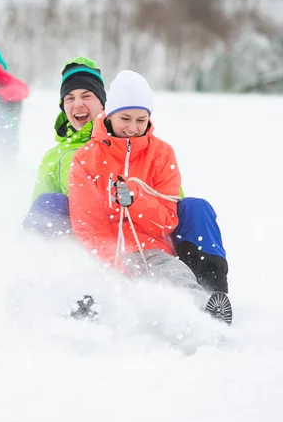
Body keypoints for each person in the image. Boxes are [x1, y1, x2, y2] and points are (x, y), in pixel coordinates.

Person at [23, 57, 229, 296]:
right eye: (70, 98)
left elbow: (170, 208)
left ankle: (209, 295)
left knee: (196, 208)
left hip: (147, 241)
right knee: (48, 205)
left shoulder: (151, 149)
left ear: (104, 105)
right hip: (90, 238)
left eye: (86, 96)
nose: (78, 104)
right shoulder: (67, 157)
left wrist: (137, 200)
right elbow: (75, 219)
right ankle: (38, 281)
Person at [68, 70, 232, 324]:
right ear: (109, 115)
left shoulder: (161, 154)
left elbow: (168, 219)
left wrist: (136, 201)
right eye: (125, 118)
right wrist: (113, 262)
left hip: (150, 251)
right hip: (104, 254)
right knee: (95, 280)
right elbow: (87, 223)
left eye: (141, 120)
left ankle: (204, 315)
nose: (133, 128)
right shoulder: (86, 158)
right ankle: (88, 313)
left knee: (176, 275)